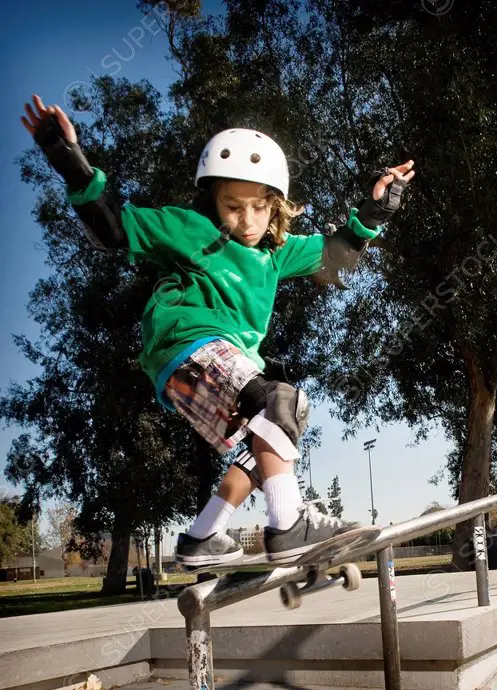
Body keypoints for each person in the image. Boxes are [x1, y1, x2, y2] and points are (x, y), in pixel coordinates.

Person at [21, 94, 415, 567]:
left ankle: (202, 537)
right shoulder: (188, 227)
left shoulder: (277, 252)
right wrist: (70, 161)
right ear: (213, 200)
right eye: (232, 207)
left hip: (208, 367)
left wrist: (374, 213)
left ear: (276, 207)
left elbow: (337, 255)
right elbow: (113, 229)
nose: (246, 222)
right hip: (187, 343)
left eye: (258, 209)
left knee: (273, 434)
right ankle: (288, 526)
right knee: (277, 401)